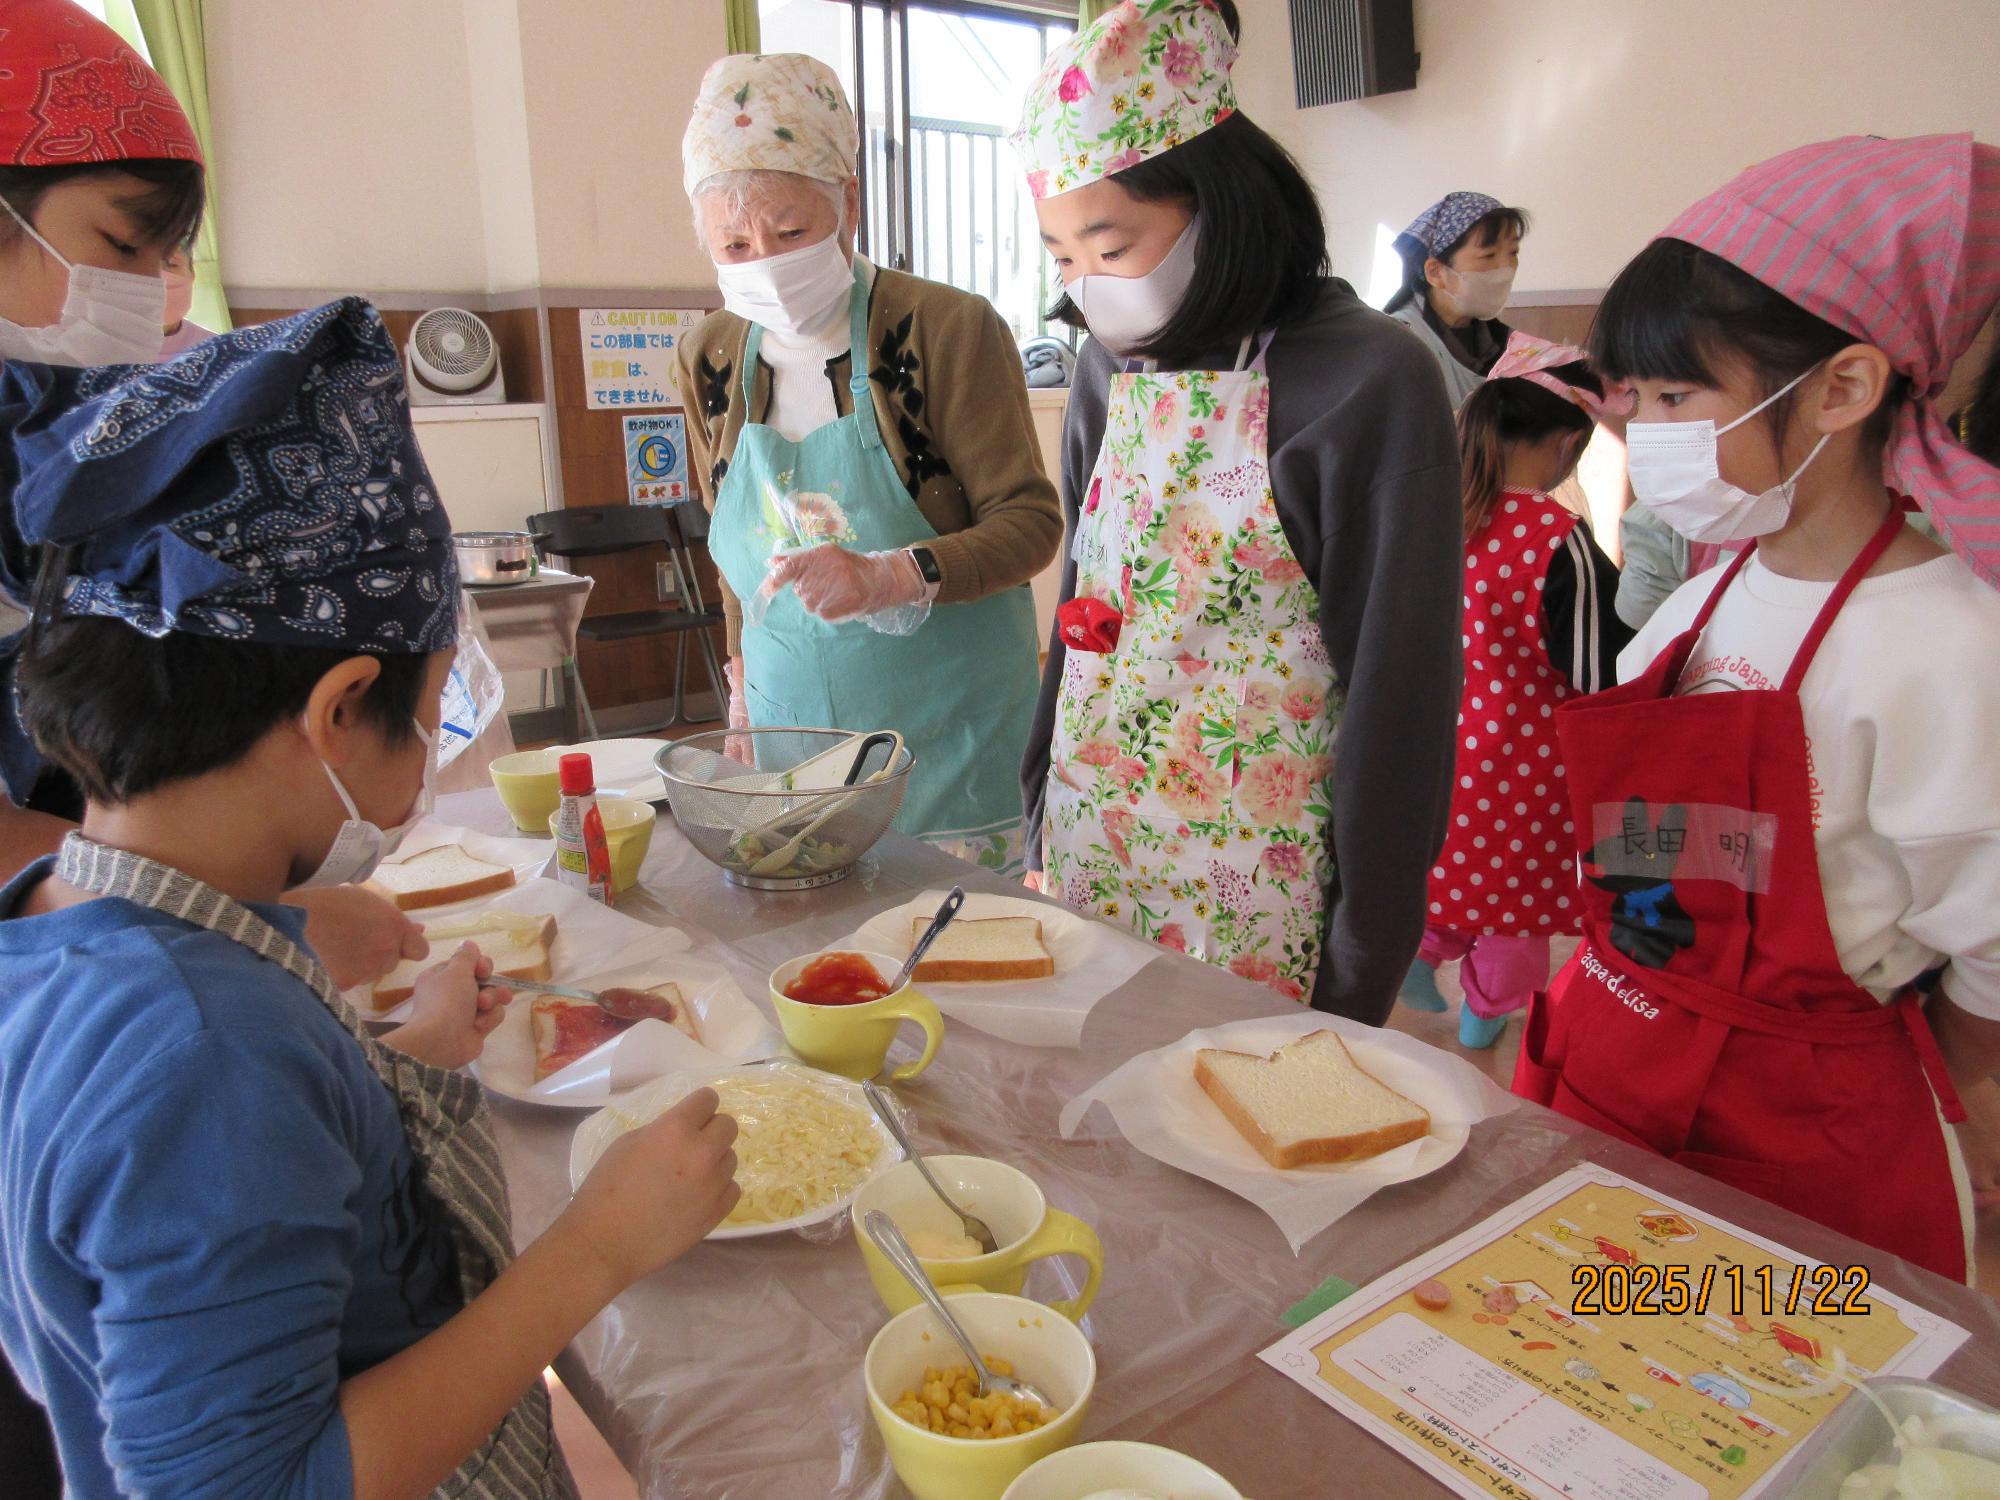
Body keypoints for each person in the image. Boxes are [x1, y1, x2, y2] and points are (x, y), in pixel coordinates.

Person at [0, 300, 743, 1498]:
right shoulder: (206, 1054)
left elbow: (186, 1237)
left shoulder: (49, 918)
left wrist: (398, 1049)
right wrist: (595, 1248)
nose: (426, 764)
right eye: (435, 706)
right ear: (343, 704)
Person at [1515, 134, 2000, 1283]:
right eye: (1636, 395)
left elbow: (1988, 948)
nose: (1641, 429)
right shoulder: (1707, 585)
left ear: (1841, 386)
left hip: (1799, 1129)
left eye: (1678, 395)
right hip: (1614, 1050)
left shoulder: (1944, 644)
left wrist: (1914, 1076)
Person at [1013, 0, 1462, 1019]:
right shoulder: (1103, 363)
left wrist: (1365, 951)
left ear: (1218, 201)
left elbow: (1401, 691)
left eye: (1109, 243)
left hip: (1263, 893)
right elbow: (1082, 604)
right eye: (1060, 256)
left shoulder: (1370, 379)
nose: (1086, 289)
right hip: (1095, 845)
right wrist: (1038, 797)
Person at [675, 53, 1059, 873]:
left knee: (957, 964)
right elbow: (730, 552)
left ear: (848, 201)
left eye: (789, 232)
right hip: (792, 735)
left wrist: (890, 575)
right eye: (733, 243)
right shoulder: (708, 356)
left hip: (946, 740)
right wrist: (740, 687)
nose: (763, 263)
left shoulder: (946, 329)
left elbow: (1031, 528)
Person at [1401, 333, 1631, 1047]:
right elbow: (1601, 674)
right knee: (1516, 910)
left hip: (1438, 756)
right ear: (1568, 445)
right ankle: (1485, 1018)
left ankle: (1418, 954)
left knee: (1455, 877)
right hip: (1523, 770)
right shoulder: (1557, 541)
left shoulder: (1437, 518)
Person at [1384, 191, 1529, 409]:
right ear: (1435, 272)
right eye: (1489, 255)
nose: (1506, 268)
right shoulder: (1402, 340)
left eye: (1513, 252)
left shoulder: (1505, 341)